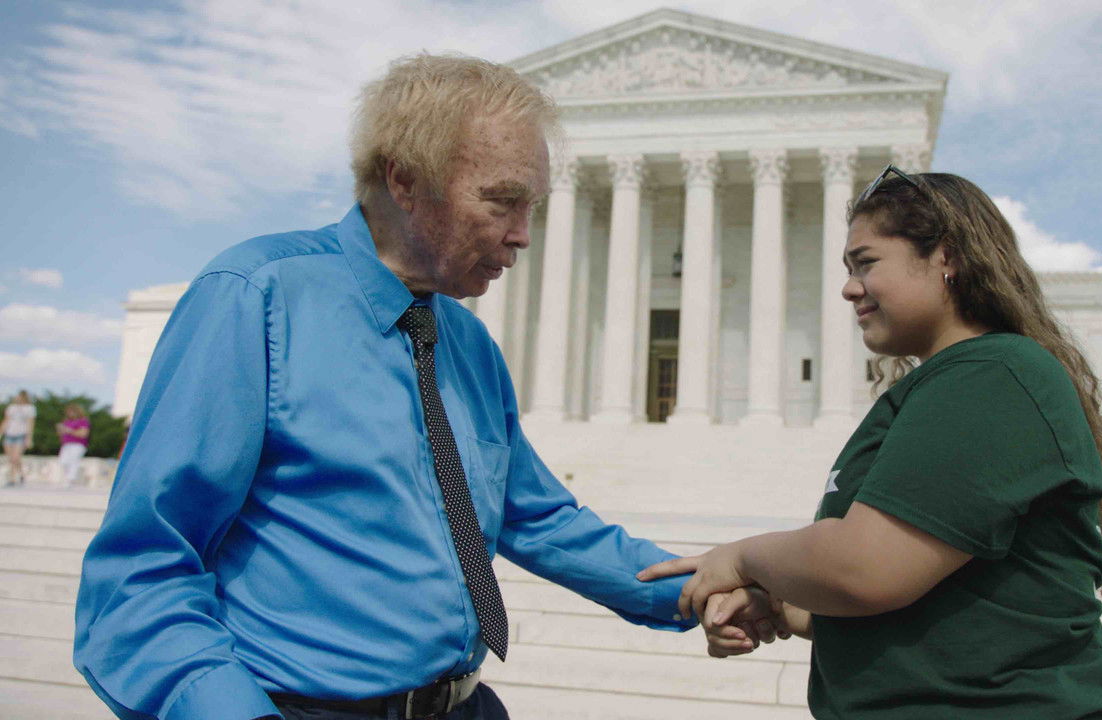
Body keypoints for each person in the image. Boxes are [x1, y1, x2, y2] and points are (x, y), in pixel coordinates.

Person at [74, 53, 693, 720]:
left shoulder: (468, 343)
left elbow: (537, 518)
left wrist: (701, 588)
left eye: (532, 206)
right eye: (501, 201)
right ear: (405, 179)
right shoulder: (257, 298)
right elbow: (143, 570)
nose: (523, 236)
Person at [641, 168, 1102, 719]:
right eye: (848, 269)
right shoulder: (946, 385)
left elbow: (863, 569)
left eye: (866, 263)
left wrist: (741, 557)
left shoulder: (992, 376)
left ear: (947, 257)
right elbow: (935, 600)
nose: (849, 288)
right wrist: (777, 606)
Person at [2, 390, 36, 486]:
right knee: (11, 458)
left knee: (16, 457)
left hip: (21, 435)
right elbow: (6, 421)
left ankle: (12, 478)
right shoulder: (11, 408)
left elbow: (30, 423)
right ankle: (21, 474)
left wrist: (29, 438)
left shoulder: (30, 408)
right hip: (9, 434)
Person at [56, 402, 90, 486]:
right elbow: (62, 434)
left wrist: (69, 431)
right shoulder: (67, 421)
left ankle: (71, 480)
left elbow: (84, 434)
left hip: (78, 445)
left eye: (71, 411)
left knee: (74, 461)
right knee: (63, 461)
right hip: (66, 444)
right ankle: (67, 478)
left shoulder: (83, 421)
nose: (69, 413)